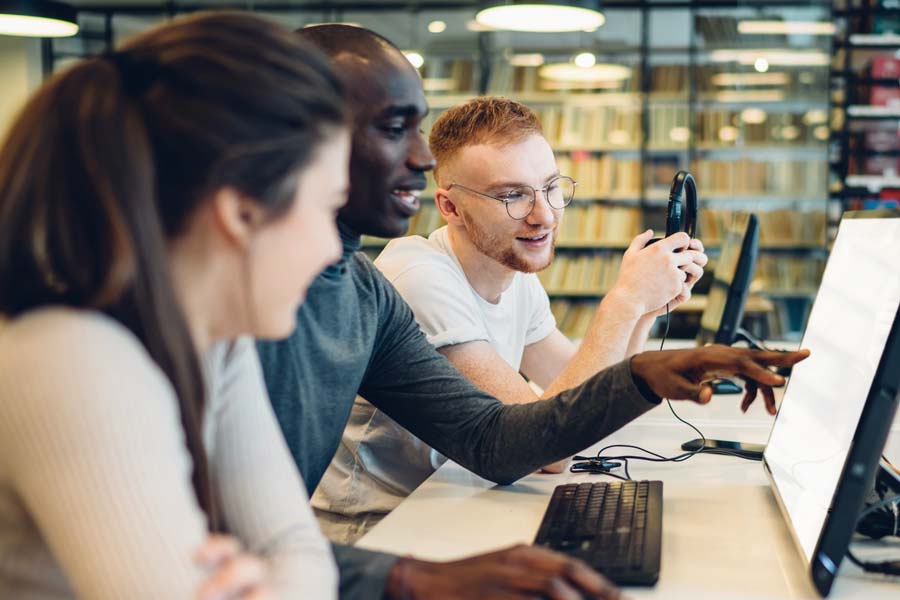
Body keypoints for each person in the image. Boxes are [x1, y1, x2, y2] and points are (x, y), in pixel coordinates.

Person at [256, 23, 808, 600]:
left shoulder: (365, 290)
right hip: (368, 539)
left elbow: (503, 435)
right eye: (396, 129)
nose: (421, 158)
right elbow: (225, 541)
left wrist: (644, 350)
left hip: (380, 539)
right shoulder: (391, 278)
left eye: (550, 188)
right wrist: (622, 305)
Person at [0, 12, 351, 599]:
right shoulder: (70, 356)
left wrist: (269, 584)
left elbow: (298, 547)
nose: (332, 246)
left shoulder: (218, 338)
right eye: (327, 207)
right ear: (241, 213)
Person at [311, 95, 709, 542]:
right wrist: (622, 302)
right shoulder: (419, 277)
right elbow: (544, 448)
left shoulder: (512, 271)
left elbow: (591, 402)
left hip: (459, 501)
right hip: (380, 531)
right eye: (512, 195)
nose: (544, 215)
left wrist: (646, 308)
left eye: (551, 187)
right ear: (450, 207)